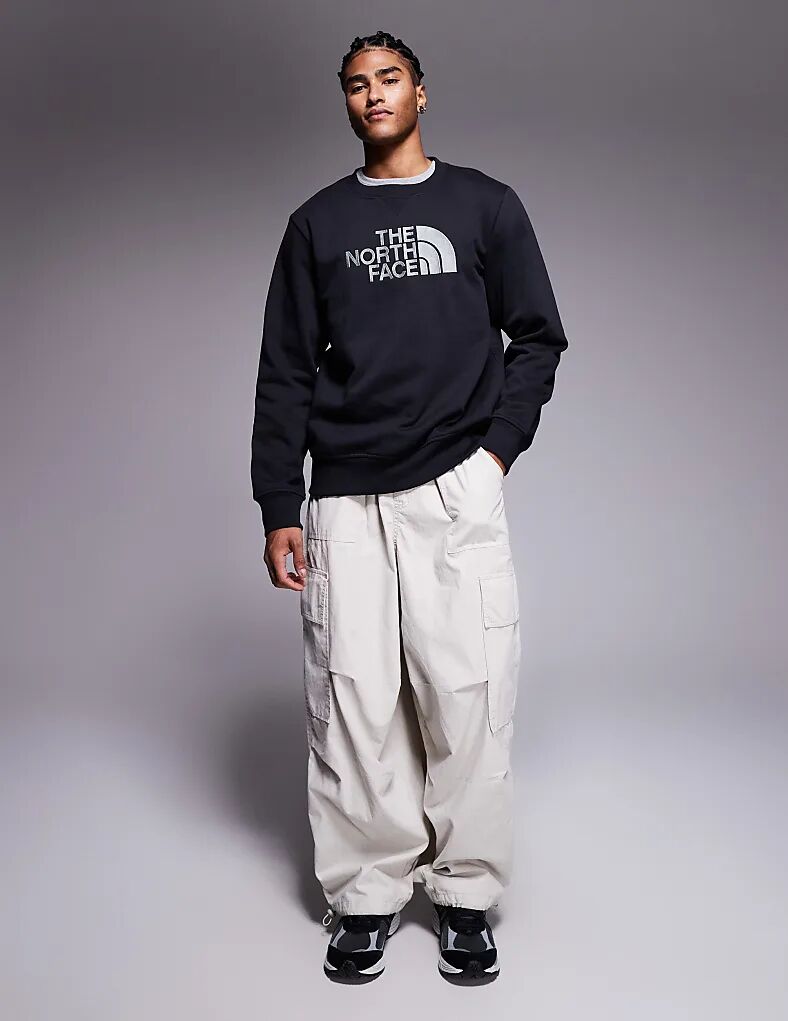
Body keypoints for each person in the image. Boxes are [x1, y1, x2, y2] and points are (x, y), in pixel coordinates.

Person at [250, 29, 568, 985]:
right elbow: (284, 372)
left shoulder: (484, 205)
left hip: (452, 486)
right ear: (346, 103)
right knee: (353, 700)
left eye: (389, 78)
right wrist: (279, 501)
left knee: (467, 690)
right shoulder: (317, 225)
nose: (373, 95)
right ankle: (367, 894)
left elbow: (538, 337)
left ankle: (466, 892)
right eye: (356, 84)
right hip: (345, 494)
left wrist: (494, 455)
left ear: (421, 93)